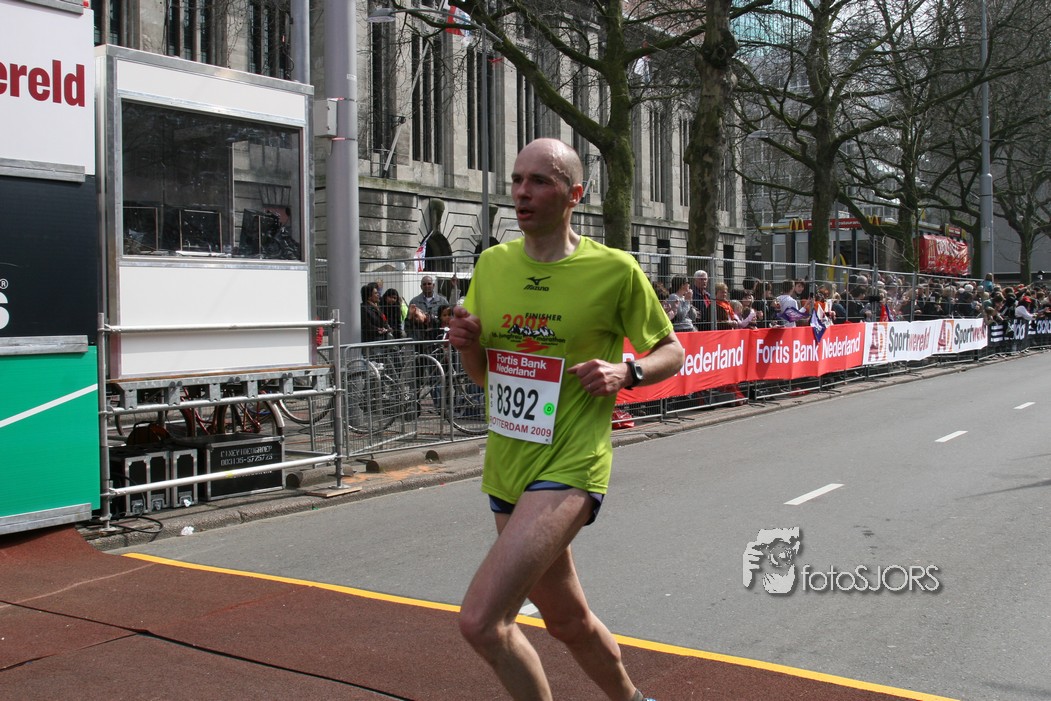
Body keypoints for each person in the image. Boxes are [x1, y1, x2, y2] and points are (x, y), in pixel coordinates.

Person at [447, 138, 683, 701]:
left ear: (575, 194)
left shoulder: (615, 270)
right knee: (566, 620)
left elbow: (671, 351)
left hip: (572, 465)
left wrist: (627, 371)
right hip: (508, 469)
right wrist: (466, 343)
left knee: (482, 621)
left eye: (540, 181)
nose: (522, 192)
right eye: (517, 179)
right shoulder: (492, 264)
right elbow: (484, 378)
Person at [407, 275, 450, 342]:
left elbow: (449, 319)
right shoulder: (414, 302)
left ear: (433, 285)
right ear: (421, 287)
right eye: (424, 284)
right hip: (419, 339)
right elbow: (408, 322)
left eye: (429, 284)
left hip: (437, 339)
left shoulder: (443, 301)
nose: (427, 286)